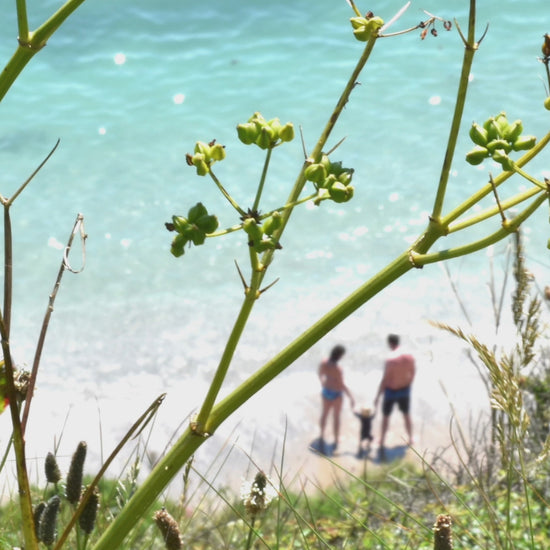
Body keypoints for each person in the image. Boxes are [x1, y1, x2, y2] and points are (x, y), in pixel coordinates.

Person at [374, 334, 416, 447]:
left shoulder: (391, 359)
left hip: (391, 391)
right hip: (404, 389)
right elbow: (412, 372)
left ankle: (382, 440)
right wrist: (408, 383)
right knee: (406, 414)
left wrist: (377, 397)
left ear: (390, 343)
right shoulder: (409, 356)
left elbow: (385, 379)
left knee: (386, 416)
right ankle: (411, 438)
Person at [319, 345, 355, 451]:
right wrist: (351, 397)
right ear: (340, 356)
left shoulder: (324, 363)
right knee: (336, 417)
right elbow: (342, 385)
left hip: (326, 391)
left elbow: (320, 374)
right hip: (336, 394)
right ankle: (336, 439)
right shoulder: (338, 369)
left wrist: (323, 383)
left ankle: (321, 435)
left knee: (324, 414)